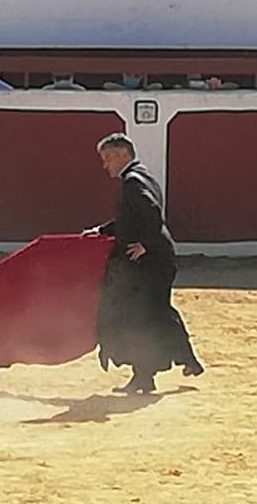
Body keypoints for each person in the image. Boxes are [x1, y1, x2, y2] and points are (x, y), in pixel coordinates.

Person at [83, 132, 204, 394]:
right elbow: (132, 220)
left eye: (108, 158)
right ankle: (178, 363)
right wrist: (102, 231)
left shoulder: (133, 182)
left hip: (149, 262)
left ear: (123, 155)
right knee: (154, 314)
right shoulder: (140, 176)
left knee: (138, 318)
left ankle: (149, 374)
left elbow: (151, 215)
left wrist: (145, 244)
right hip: (155, 261)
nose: (106, 165)